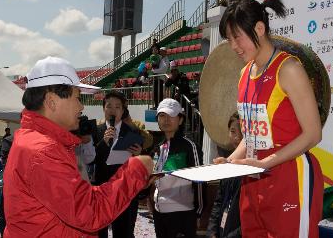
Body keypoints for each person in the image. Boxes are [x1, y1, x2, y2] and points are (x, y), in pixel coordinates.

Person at [3, 56, 154, 238]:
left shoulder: (35, 141)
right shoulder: (43, 150)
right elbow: (90, 212)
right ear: (52, 101)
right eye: (77, 98)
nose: (81, 106)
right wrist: (137, 169)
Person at [215, 0, 324, 237]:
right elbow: (251, 134)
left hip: (290, 178)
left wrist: (265, 163)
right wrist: (229, 161)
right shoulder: (244, 73)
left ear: (260, 29)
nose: (233, 46)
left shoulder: (289, 69)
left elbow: (313, 134)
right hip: (253, 179)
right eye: (228, 39)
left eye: (237, 37)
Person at [91, 91, 145, 238]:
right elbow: (90, 159)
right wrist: (103, 142)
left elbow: (140, 161)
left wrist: (138, 153)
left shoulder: (133, 131)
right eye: (109, 106)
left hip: (124, 189)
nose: (113, 110)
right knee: (99, 230)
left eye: (117, 107)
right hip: (101, 187)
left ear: (123, 110)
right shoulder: (95, 131)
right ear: (103, 109)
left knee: (124, 231)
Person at [153, 98, 204, 238]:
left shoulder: (190, 146)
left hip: (182, 211)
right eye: (162, 116)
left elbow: (199, 181)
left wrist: (198, 211)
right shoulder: (158, 146)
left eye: (171, 115)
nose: (166, 120)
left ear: (180, 120)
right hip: (159, 212)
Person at [207, 112, 243, 238]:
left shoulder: (254, 169)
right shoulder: (227, 163)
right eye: (233, 131)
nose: (237, 137)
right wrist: (212, 232)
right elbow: (218, 202)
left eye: (242, 132)